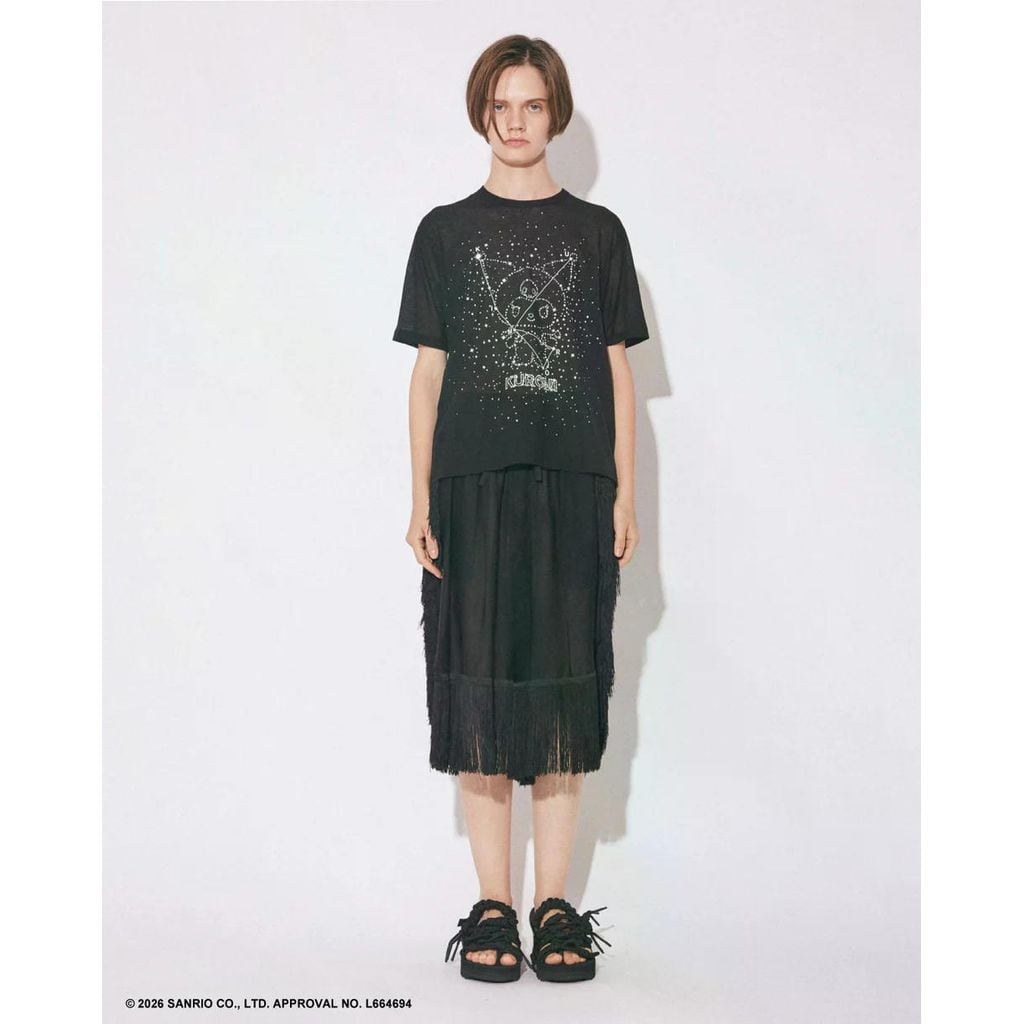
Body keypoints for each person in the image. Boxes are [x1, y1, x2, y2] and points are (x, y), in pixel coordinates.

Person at [391, 34, 649, 984]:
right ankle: (493, 902)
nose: (515, 121)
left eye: (532, 104)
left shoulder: (598, 234)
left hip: (573, 488)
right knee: (481, 696)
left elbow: (618, 374)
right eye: (500, 105)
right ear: (481, 114)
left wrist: (624, 493)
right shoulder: (444, 233)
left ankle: (555, 907)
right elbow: (428, 376)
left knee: (562, 697)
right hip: (471, 492)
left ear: (556, 113)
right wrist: (419, 497)